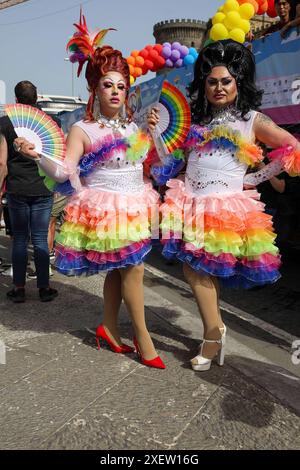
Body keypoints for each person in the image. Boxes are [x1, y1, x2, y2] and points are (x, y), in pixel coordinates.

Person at [15, 12, 165, 369]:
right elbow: (64, 171)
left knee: (120, 269)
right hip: (106, 209)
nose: (115, 92)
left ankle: (109, 329)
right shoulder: (83, 129)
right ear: (95, 88)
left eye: (121, 86)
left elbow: (152, 164)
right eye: (108, 85)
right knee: (134, 269)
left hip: (136, 204)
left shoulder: (133, 125)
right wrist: (37, 156)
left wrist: (155, 133)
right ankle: (143, 338)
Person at [148, 39, 300, 372]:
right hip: (190, 203)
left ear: (238, 83)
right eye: (212, 81)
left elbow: (291, 146)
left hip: (223, 210)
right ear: (204, 84)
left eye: (226, 81)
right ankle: (214, 329)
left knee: (198, 270)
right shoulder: (198, 123)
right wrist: (158, 135)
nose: (218, 88)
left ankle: (213, 333)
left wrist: (255, 178)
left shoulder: (252, 120)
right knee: (199, 270)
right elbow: (172, 162)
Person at [0, 81, 58, 303]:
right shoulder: (50, 122)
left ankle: (19, 288)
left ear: (16, 99)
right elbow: (54, 157)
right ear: (37, 98)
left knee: (20, 239)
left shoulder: (5, 123)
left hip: (17, 188)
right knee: (41, 239)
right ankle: (44, 288)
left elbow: (2, 162)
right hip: (43, 187)